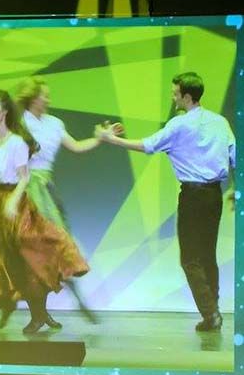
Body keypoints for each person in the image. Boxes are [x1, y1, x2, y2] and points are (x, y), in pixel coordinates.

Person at [96, 71, 235, 332]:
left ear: (187, 96)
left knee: (190, 259)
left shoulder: (179, 125)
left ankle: (211, 313)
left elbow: (147, 145)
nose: (173, 98)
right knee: (207, 256)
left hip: (193, 196)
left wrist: (111, 139)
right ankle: (213, 311)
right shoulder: (220, 122)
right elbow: (234, 155)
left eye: (175, 94)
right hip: (214, 195)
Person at [0, 90, 89, 334]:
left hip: (14, 203)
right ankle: (8, 303)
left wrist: (13, 201)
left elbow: (23, 177)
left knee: (27, 260)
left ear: (4, 112)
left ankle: (38, 315)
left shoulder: (17, 142)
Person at [17, 76, 120, 325]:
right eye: (44, 95)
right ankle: (39, 313)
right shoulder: (20, 124)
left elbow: (76, 146)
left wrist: (101, 138)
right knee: (33, 253)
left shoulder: (55, 124)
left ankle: (62, 301)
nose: (48, 99)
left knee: (55, 246)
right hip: (25, 189)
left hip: (46, 189)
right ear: (33, 98)